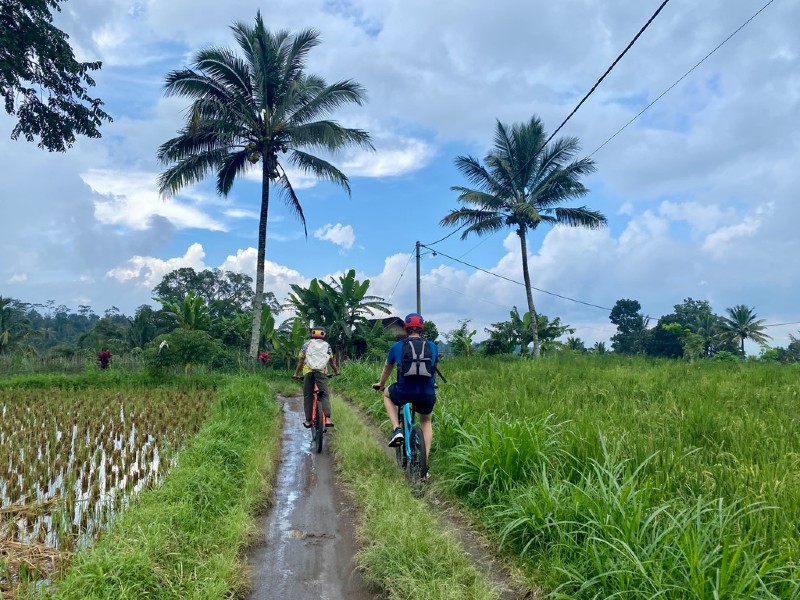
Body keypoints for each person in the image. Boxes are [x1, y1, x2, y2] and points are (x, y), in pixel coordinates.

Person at [372, 312, 438, 465]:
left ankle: (397, 429)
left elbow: (387, 369)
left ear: (406, 328)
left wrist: (381, 384)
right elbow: (432, 370)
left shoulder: (398, 346)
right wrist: (432, 384)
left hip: (404, 391)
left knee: (387, 395)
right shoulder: (432, 346)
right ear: (422, 328)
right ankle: (424, 463)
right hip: (427, 392)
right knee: (426, 421)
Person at [293, 326, 339, 429]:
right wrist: (336, 371)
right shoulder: (327, 346)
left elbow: (300, 362)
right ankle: (327, 419)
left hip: (308, 372)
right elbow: (331, 362)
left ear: (312, 333)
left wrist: (296, 374)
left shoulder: (306, 344)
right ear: (324, 334)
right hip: (321, 372)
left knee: (308, 396)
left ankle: (308, 420)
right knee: (324, 395)